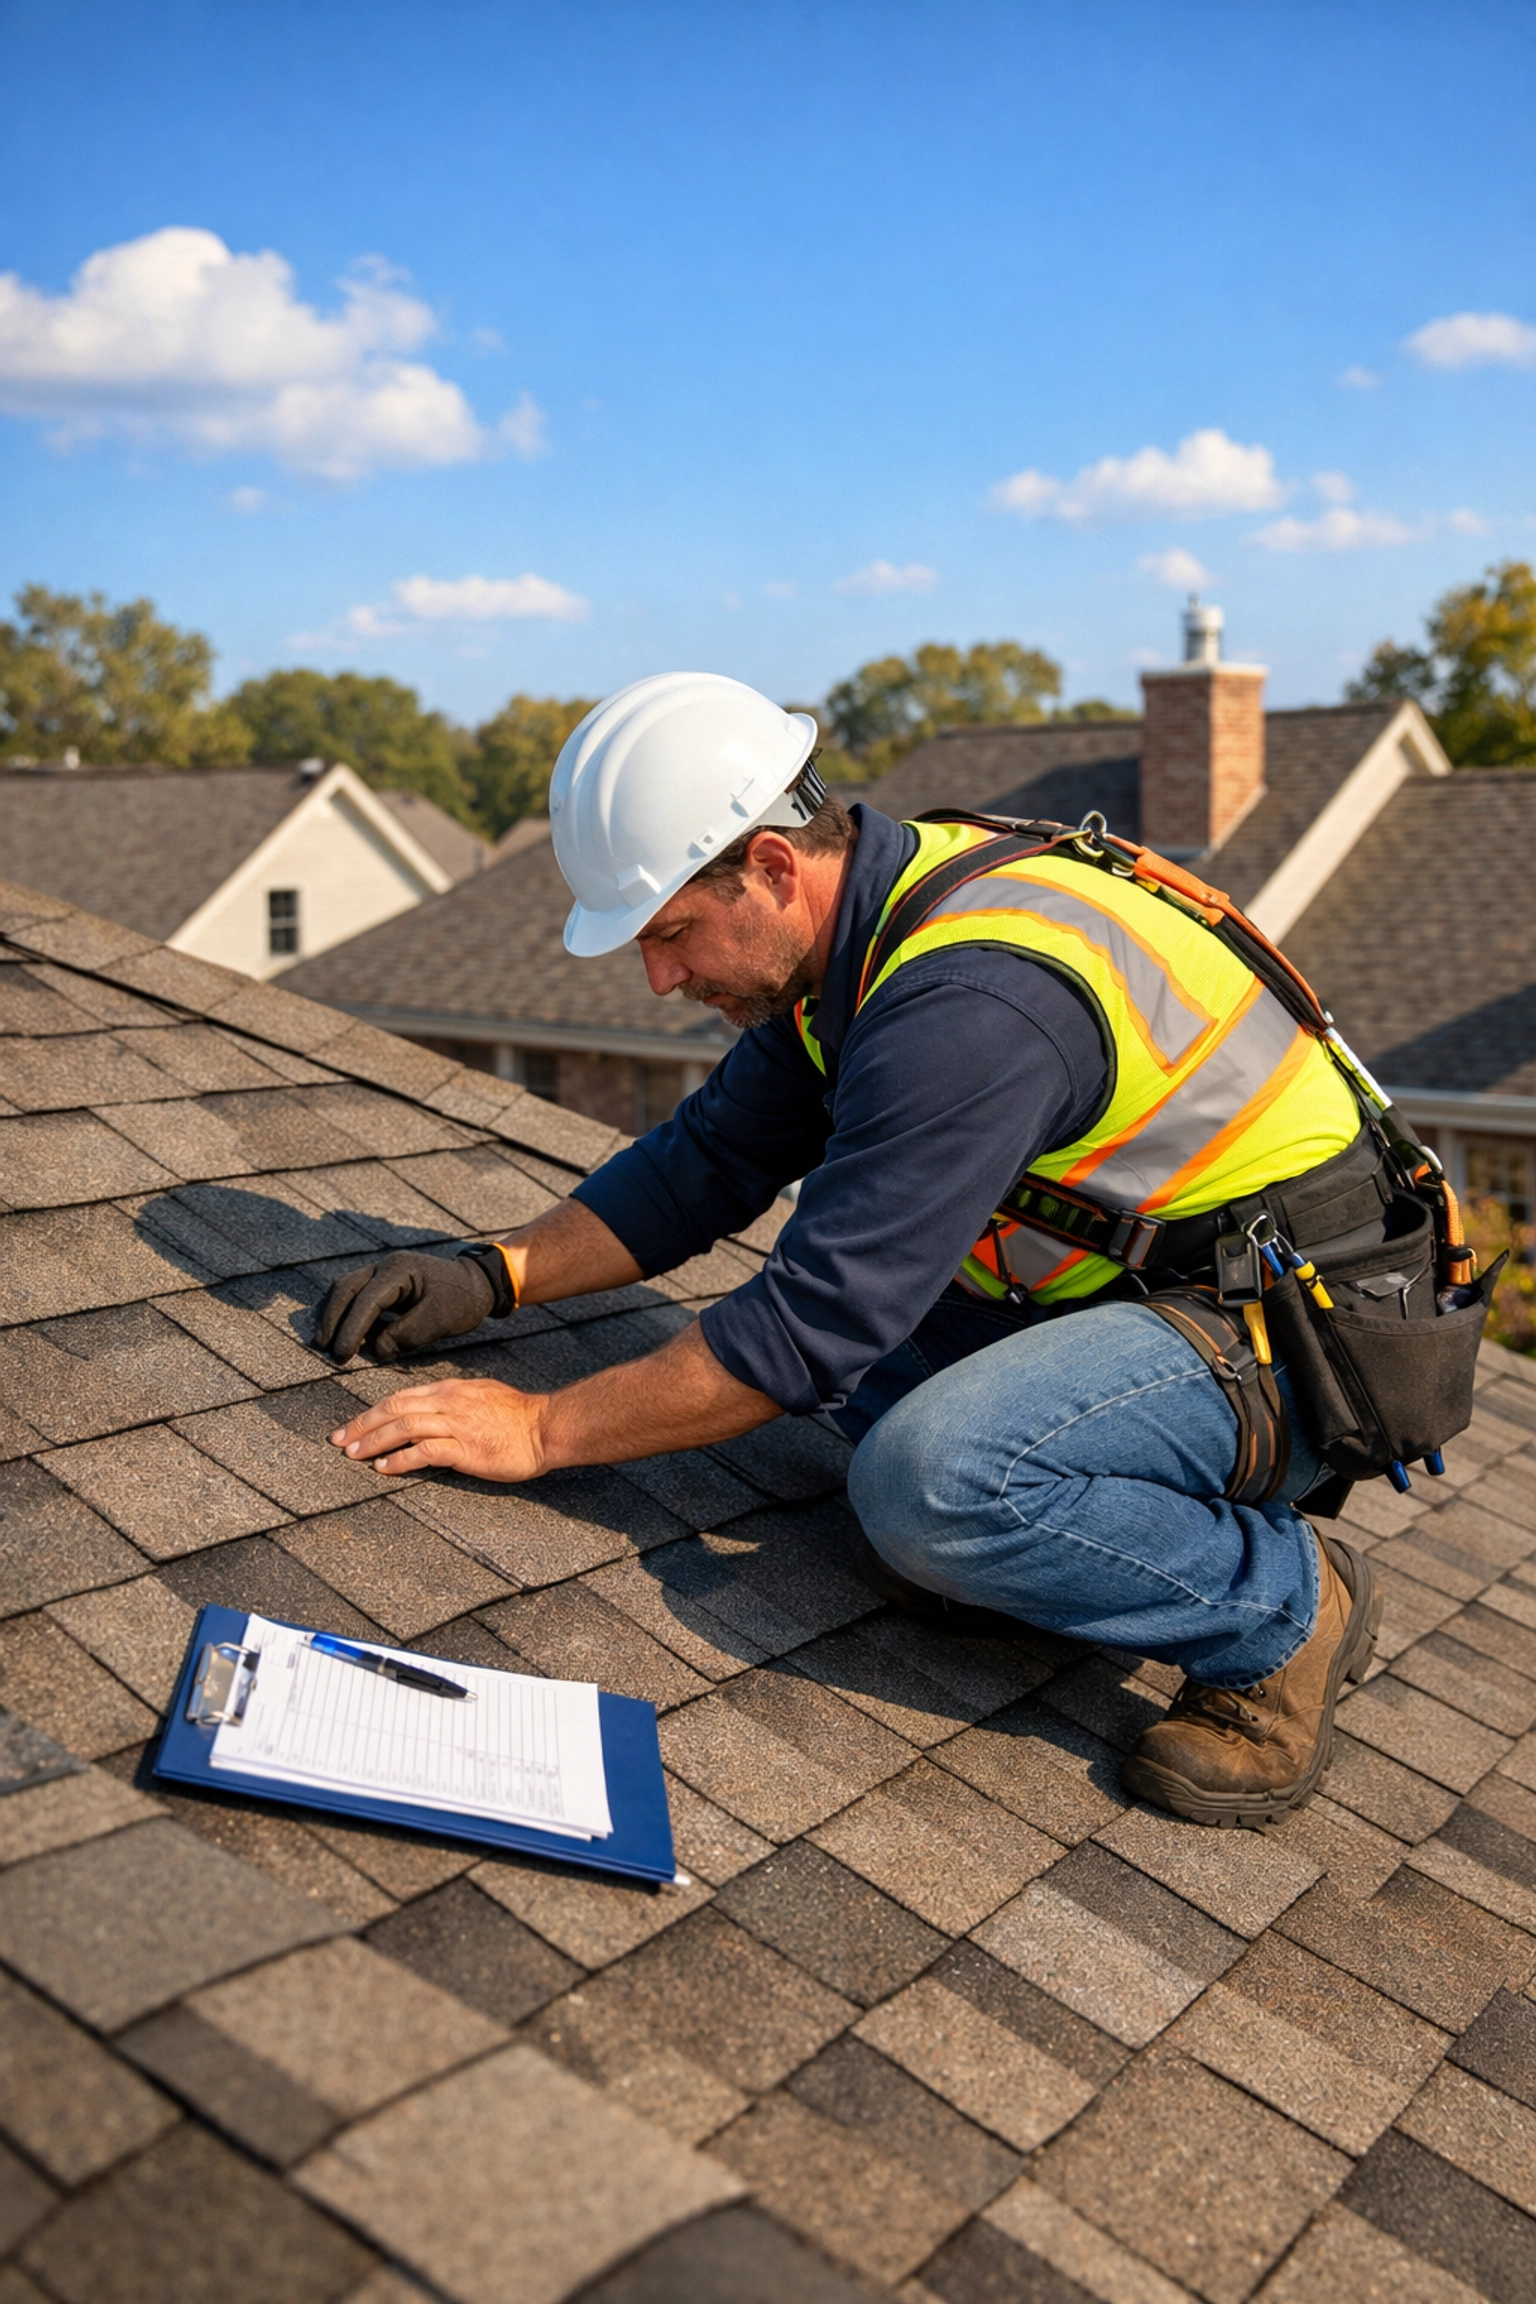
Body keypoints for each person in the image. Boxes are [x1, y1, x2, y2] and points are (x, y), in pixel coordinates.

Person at [321, 670, 1384, 1827]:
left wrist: (538, 1429)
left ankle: (1283, 1609)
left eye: (672, 933)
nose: (661, 977)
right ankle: (1060, 1538)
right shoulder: (863, 939)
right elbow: (706, 1164)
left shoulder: (973, 1002)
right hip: (1144, 1295)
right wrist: (495, 1273)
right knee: (865, 1431)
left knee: (931, 1481)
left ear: (774, 868)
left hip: (1299, 1335)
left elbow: (804, 1331)